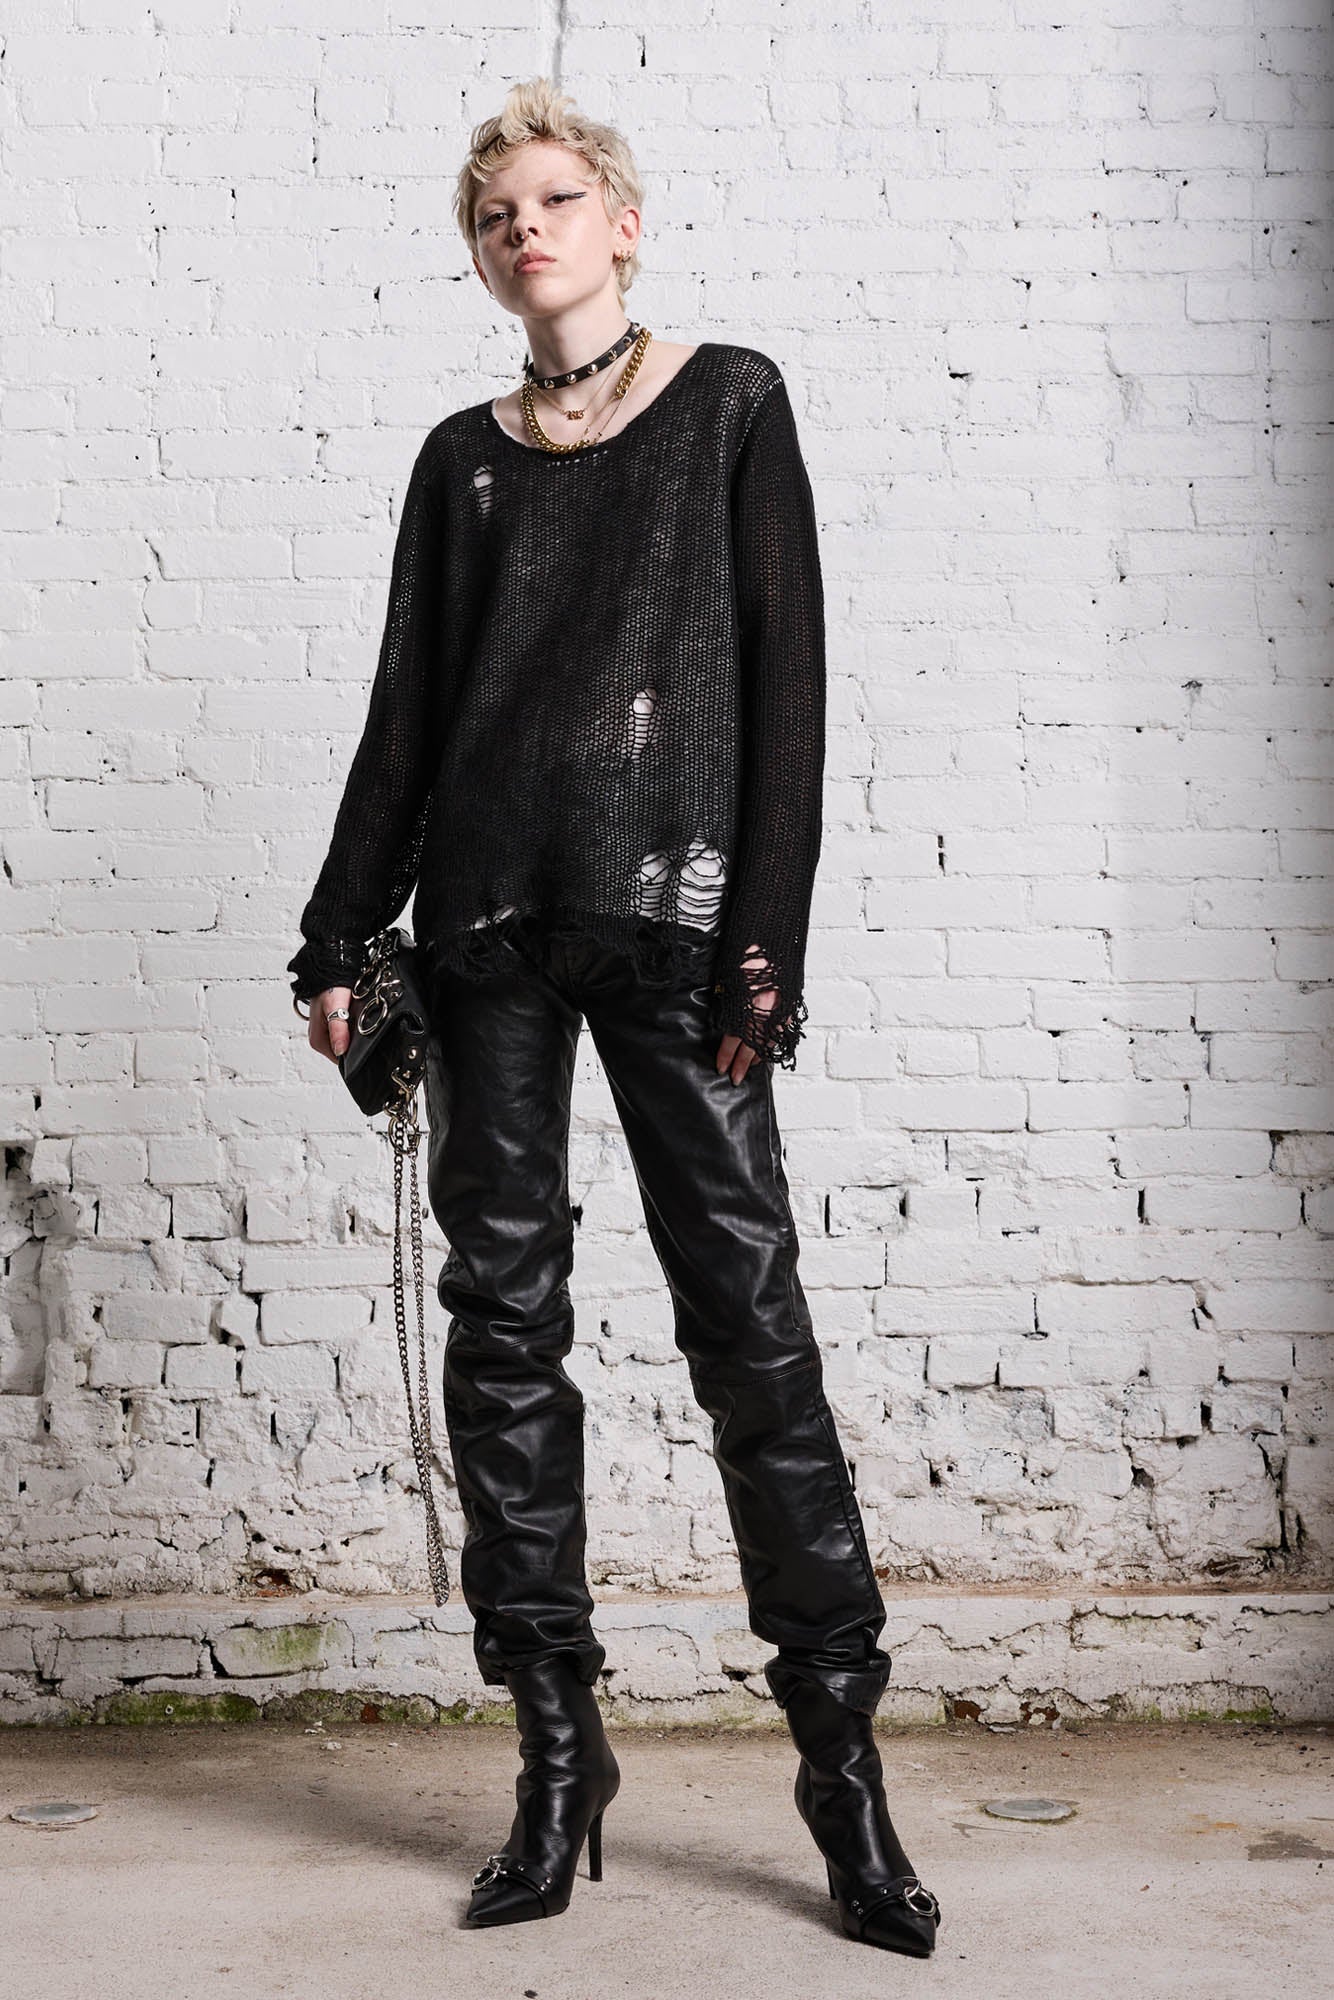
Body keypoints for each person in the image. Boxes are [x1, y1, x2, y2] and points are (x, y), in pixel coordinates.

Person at [286, 76, 941, 1958]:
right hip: (485, 931)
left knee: (750, 1327)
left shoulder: (728, 401)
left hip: (675, 933)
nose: (528, 230)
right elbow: (408, 715)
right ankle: (557, 1760)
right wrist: (337, 934)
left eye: (557, 200)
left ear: (623, 222)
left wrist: (764, 949)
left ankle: (840, 1774)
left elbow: (788, 690)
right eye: (497, 213)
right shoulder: (460, 461)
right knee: (501, 1331)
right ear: (477, 253)